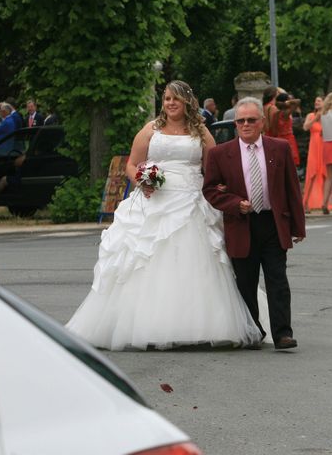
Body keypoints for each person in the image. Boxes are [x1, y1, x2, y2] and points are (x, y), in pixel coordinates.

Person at [66, 80, 262, 351]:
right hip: (154, 200)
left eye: (176, 99)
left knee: (195, 259)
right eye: (167, 98)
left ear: (187, 103)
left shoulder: (202, 133)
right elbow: (132, 164)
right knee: (144, 259)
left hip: (191, 199)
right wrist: (142, 180)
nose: (170, 103)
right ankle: (142, 324)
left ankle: (199, 324)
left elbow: (213, 170)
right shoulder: (150, 129)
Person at [203, 96, 306, 350]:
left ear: (262, 122)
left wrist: (298, 226)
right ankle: (254, 331)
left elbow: (292, 189)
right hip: (241, 224)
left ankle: (282, 333)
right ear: (235, 124)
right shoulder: (220, 153)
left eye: (251, 120)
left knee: (277, 280)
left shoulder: (279, 148)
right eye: (241, 121)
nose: (246, 124)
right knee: (246, 282)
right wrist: (235, 203)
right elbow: (210, 190)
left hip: (273, 223)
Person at [302, 96, 325, 212]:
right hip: (314, 146)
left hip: (324, 145)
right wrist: (315, 118)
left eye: (319, 101)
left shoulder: (327, 116)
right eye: (315, 100)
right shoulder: (311, 115)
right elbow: (305, 127)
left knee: (325, 172)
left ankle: (324, 201)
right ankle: (307, 201)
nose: (316, 102)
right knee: (312, 172)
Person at [270, 92, 301, 166]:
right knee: (290, 163)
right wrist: (288, 102)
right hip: (288, 139)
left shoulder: (275, 114)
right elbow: (298, 101)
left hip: (278, 139)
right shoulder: (286, 113)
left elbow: (274, 131)